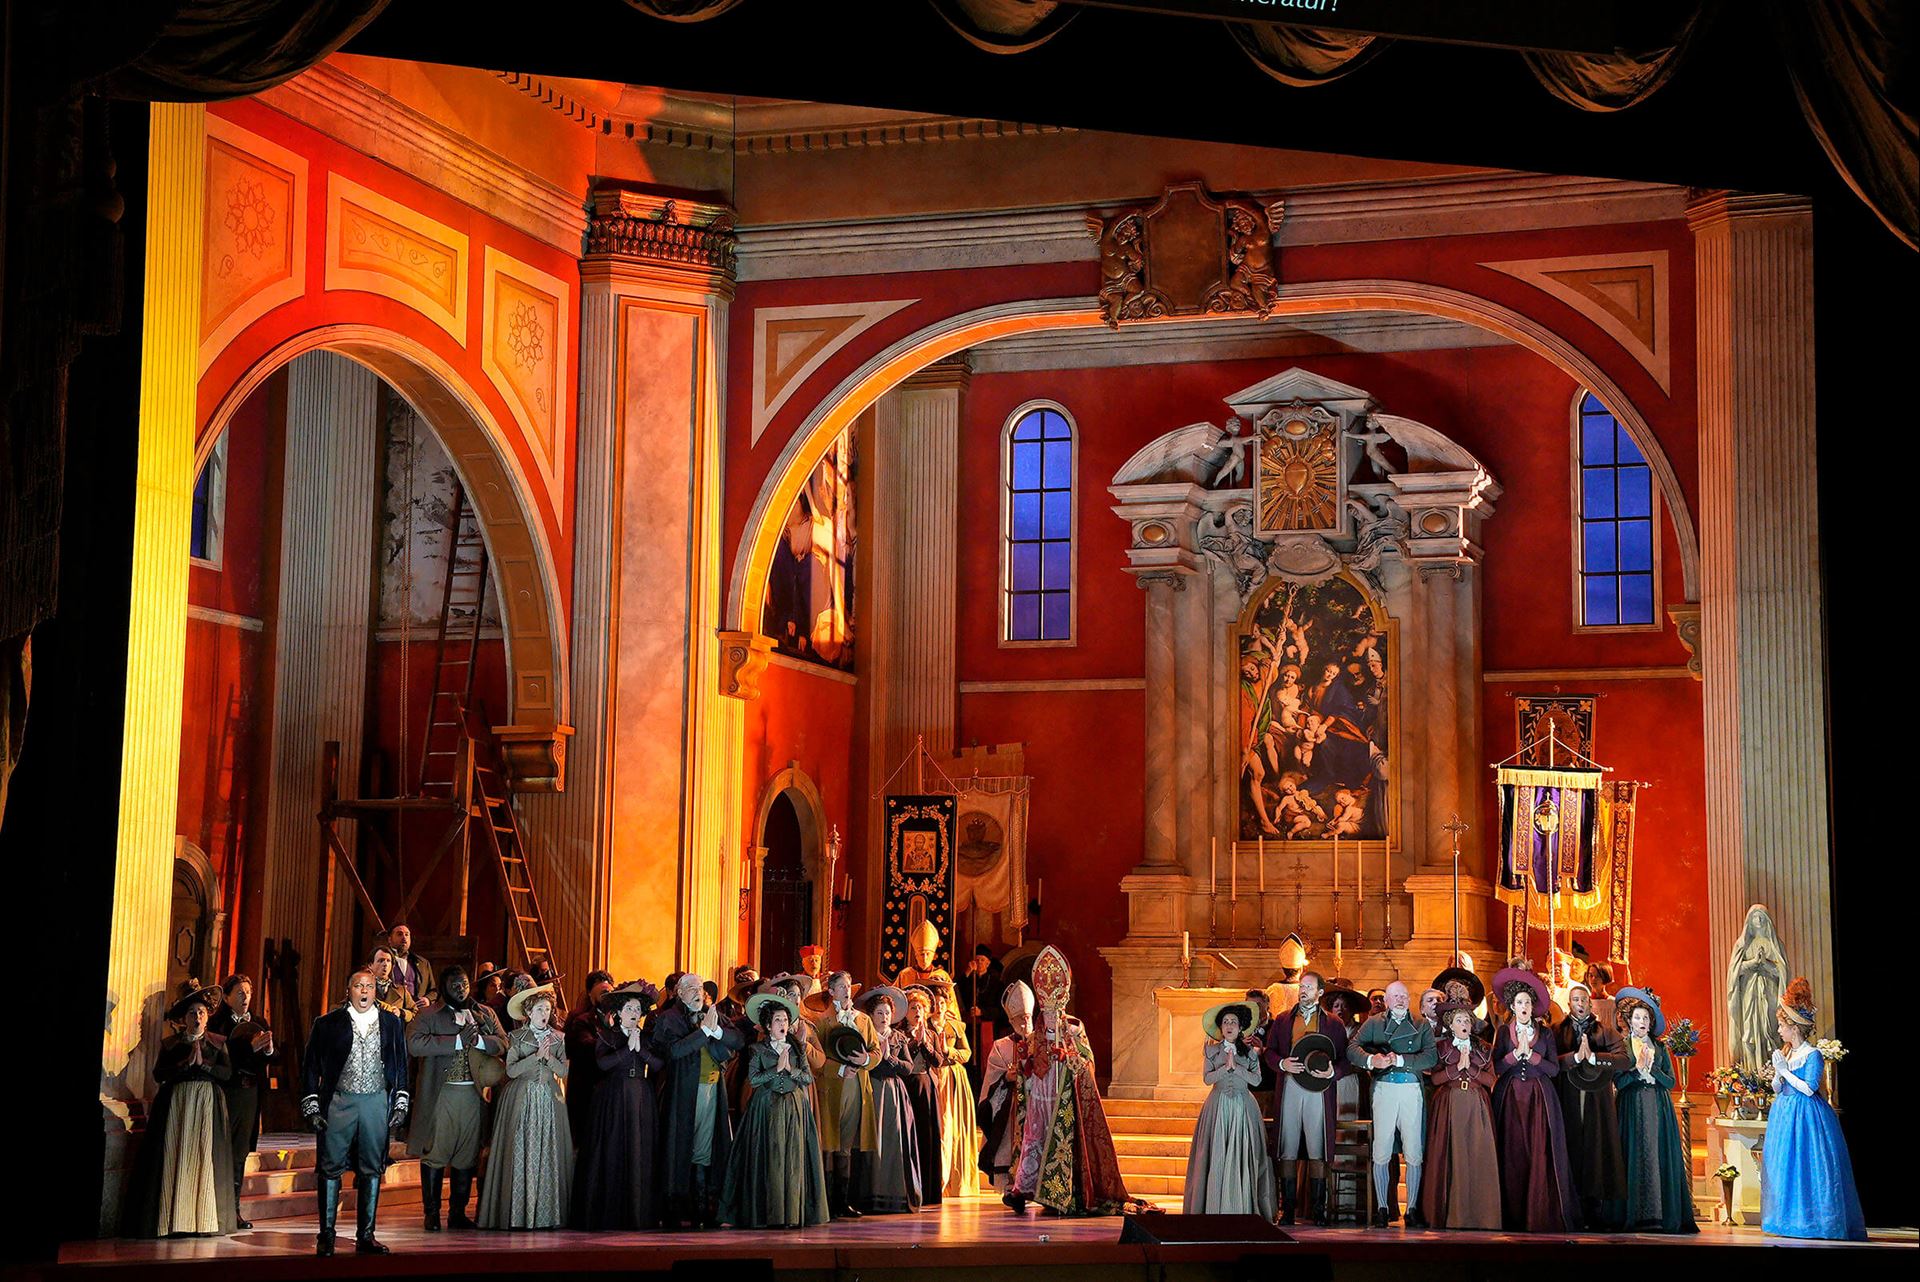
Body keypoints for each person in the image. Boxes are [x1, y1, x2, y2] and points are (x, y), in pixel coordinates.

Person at [1006, 946, 1129, 1216]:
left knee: (1059, 1141)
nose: (1049, 1019)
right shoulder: (1035, 1033)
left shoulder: (1074, 1028)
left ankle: (1061, 1193)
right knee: (1033, 1138)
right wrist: (1025, 1069)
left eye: (1053, 1014)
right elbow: (1027, 1062)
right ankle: (1022, 1191)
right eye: (1045, 1014)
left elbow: (1087, 1062)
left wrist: (1067, 1056)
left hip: (1063, 1095)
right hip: (1039, 1096)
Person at [300, 969, 409, 1255]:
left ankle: (366, 1236)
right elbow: (310, 1066)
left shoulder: (391, 1023)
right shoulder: (327, 1023)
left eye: (369, 986)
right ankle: (327, 1235)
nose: (364, 991)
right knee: (330, 1166)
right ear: (349, 990)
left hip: (375, 1100)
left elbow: (400, 1065)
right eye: (358, 986)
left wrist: (400, 1100)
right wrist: (312, 1104)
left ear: (376, 991)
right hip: (339, 1100)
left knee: (372, 1167)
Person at [125, 982, 238, 1238]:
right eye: (192, 1013)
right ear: (183, 1019)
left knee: (201, 1156)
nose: (196, 1016)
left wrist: (205, 1067)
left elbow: (227, 1074)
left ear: (208, 1016)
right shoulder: (171, 1044)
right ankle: (172, 1217)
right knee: (176, 1153)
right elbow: (158, 1074)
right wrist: (184, 1065)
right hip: (179, 1101)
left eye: (201, 1012)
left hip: (206, 1103)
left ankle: (202, 1220)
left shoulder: (218, 1043)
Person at [1762, 977, 1866, 1241]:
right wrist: (1777, 1073)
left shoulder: (1812, 1054)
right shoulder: (1787, 1053)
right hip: (1784, 1113)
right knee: (1786, 1166)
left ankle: (1814, 1221)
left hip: (1806, 1115)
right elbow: (1778, 1087)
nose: (1779, 1030)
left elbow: (1809, 1088)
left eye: (1782, 1026)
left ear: (1794, 1028)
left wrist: (1785, 1071)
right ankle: (1786, 1219)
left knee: (1809, 1165)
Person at [407, 963, 506, 1231]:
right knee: (436, 1151)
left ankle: (458, 1212)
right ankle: (432, 1212)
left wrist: (480, 1042)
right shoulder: (428, 1015)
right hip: (444, 1092)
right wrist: (457, 1042)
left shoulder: (483, 1013)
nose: (460, 989)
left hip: (474, 1093)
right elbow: (414, 1044)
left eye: (463, 984)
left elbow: (503, 1041)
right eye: (454, 985)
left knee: (467, 1154)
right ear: (443, 988)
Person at [720, 990, 830, 1228]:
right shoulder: (757, 1050)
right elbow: (754, 1079)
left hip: (793, 1107)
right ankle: (767, 1213)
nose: (783, 1024)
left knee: (791, 1160)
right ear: (768, 1026)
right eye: (778, 1020)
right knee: (770, 1157)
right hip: (766, 1107)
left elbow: (807, 1078)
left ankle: (791, 1214)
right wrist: (775, 1069)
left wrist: (790, 1070)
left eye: (785, 1020)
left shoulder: (797, 1048)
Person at [1488, 967, 1580, 1231]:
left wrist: (1535, 1058)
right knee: (1513, 1152)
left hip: (1540, 1099)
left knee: (1539, 1150)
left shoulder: (1546, 1033)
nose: (1524, 1006)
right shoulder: (1504, 1032)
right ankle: (1514, 1214)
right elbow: (1495, 1067)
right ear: (1512, 1007)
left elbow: (1554, 1069)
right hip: (1511, 1098)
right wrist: (1515, 1056)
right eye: (1519, 1003)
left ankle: (1540, 1211)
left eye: (1527, 1002)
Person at [651, 971, 743, 1228]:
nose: (697, 993)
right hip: (682, 1093)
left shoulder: (713, 1015)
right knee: (679, 1147)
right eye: (691, 988)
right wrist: (704, 1032)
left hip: (712, 1091)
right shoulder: (668, 1018)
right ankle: (675, 1211)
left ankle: (703, 1209)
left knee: (705, 1150)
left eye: (700, 988)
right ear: (679, 993)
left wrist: (716, 1031)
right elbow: (673, 1051)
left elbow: (738, 1039)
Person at [478, 983, 572, 1229]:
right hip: (522, 1098)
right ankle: (518, 1213)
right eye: (540, 1009)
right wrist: (534, 1058)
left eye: (548, 1009)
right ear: (529, 1012)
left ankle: (546, 1215)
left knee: (548, 1152)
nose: (544, 1014)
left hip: (550, 1099)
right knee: (521, 1150)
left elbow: (562, 1071)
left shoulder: (558, 1038)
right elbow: (511, 1070)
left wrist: (548, 1057)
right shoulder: (516, 1037)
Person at [573, 980, 663, 1230]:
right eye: (629, 1009)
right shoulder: (607, 1036)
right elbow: (603, 1064)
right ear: (619, 1014)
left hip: (640, 1096)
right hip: (613, 1096)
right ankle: (609, 1213)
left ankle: (637, 1213)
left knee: (638, 1150)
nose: (634, 1014)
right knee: (612, 1150)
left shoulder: (646, 1038)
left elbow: (657, 1065)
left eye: (637, 1010)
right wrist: (626, 1050)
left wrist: (640, 1050)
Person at [1348, 980, 1436, 1227]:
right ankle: (1382, 1209)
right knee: (1382, 1148)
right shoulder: (1374, 1023)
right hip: (1384, 1088)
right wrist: (1370, 1060)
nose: (1400, 1000)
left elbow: (1430, 1057)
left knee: (1413, 1149)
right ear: (1386, 1001)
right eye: (1395, 996)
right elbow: (1352, 1048)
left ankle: (1413, 1209)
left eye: (1404, 996)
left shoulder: (1420, 1024)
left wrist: (1401, 1060)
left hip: (1411, 1088)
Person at [1609, 987, 1696, 1234]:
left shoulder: (1660, 1048)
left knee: (1658, 1154)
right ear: (1629, 1020)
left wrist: (1653, 1071)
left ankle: (1660, 1214)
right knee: (1634, 1154)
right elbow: (1619, 1082)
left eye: (1646, 1018)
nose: (1642, 1022)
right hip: (1632, 1106)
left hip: (1658, 1107)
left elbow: (1671, 1082)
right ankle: (1634, 1214)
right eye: (1637, 1017)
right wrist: (1637, 1070)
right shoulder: (1623, 1046)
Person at [1262, 969, 1344, 1225]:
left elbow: (1344, 1059)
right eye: (1301, 986)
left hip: (1319, 1091)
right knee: (1287, 1145)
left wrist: (1334, 1071)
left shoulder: (1333, 1023)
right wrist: (1282, 1063)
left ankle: (1318, 1210)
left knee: (1317, 1146)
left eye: (1309, 986)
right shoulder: (1283, 1019)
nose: (1303, 990)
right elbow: (1270, 1052)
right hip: (1290, 1087)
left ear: (1320, 992)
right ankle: (1288, 1210)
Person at [1183, 1000, 1275, 1218]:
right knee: (1216, 1154)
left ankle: (1244, 1207)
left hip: (1244, 1107)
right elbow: (1207, 1079)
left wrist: (1238, 1068)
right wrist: (1226, 1068)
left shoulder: (1250, 1053)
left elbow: (1256, 1080)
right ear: (1221, 1028)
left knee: (1245, 1155)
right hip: (1218, 1107)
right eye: (1225, 1022)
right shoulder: (1211, 1051)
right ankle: (1214, 1207)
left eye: (1233, 1021)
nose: (1229, 1025)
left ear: (1240, 1027)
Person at [1419, 1000, 1501, 1230]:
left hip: (1476, 1105)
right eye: (1459, 1020)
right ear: (1450, 1026)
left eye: (1467, 1020)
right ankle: (1451, 1214)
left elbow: (1491, 1080)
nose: (1464, 1023)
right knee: (1451, 1156)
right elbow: (1434, 1079)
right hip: (1450, 1104)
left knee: (1477, 1156)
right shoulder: (1442, 1048)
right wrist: (1456, 1068)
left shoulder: (1483, 1048)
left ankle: (1481, 1216)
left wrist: (1471, 1069)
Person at [1554, 980, 1627, 1228]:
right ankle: (1570, 1208)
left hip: (1597, 1098)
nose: (1580, 1004)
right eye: (1576, 1000)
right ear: (1569, 1004)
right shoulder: (1557, 1030)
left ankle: (1594, 1210)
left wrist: (1596, 1057)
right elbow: (1550, 1061)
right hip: (1568, 1097)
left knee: (1596, 1150)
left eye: (1584, 1000)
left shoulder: (1604, 1031)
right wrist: (1573, 1058)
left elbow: (1624, 1060)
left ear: (1590, 1003)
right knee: (1571, 1147)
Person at [208, 973, 273, 1227]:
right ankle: (213, 1208)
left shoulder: (257, 1021)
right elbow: (220, 1057)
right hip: (227, 1092)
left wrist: (267, 1049)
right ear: (226, 997)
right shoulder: (218, 1023)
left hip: (250, 1094)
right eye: (239, 993)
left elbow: (269, 1057)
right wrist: (249, 1048)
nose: (245, 997)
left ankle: (233, 1209)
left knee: (240, 1153)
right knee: (220, 1149)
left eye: (248, 992)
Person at [812, 969, 876, 1219]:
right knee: (829, 1143)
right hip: (831, 1087)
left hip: (856, 1086)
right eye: (841, 986)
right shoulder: (821, 1021)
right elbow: (816, 1059)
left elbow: (876, 1051)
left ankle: (843, 1201)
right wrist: (839, 1069)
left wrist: (866, 1059)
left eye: (849, 986)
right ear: (831, 991)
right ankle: (826, 1203)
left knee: (846, 1146)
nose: (847, 990)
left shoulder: (863, 1020)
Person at [853, 985, 922, 1213]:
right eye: (880, 1013)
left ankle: (895, 1196)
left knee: (894, 1142)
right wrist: (874, 1059)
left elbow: (908, 1067)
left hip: (894, 1095)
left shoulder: (898, 1038)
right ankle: (868, 1197)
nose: (884, 1017)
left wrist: (890, 1059)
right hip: (870, 1091)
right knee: (871, 1141)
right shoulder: (864, 1036)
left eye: (887, 1013)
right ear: (871, 1015)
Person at [978, 980, 1032, 1194]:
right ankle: (1010, 1187)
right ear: (1011, 1020)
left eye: (1027, 1017)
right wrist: (1006, 1079)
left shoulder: (1041, 1043)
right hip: (1009, 1110)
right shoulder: (1001, 1046)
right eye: (1020, 1018)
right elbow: (992, 1081)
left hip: (1034, 1105)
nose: (1024, 1022)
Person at [927, 978, 981, 1196]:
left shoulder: (955, 1026)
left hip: (953, 1077)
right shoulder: (925, 1025)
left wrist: (950, 1052)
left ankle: (954, 1181)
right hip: (934, 1076)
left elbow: (967, 1054)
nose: (939, 1007)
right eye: (935, 1003)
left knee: (952, 1127)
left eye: (942, 1003)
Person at [563, 970, 615, 1149]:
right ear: (590, 995)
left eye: (609, 988)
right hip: (586, 1088)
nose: (606, 993)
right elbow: (585, 1047)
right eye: (601, 990)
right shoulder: (581, 1020)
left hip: (610, 1088)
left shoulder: (619, 1018)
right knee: (586, 1141)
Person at [386, 922, 434, 1004]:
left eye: (407, 934)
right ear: (389, 939)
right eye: (399, 934)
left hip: (417, 1012)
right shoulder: (382, 960)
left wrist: (428, 1000)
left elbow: (433, 990)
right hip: (390, 1010)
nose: (404, 937)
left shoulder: (423, 963)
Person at [369, 946, 417, 1024]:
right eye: (380, 961)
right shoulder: (363, 989)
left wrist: (401, 1013)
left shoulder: (401, 990)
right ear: (370, 965)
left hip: (393, 1034)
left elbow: (415, 1012)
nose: (385, 964)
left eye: (388, 961)